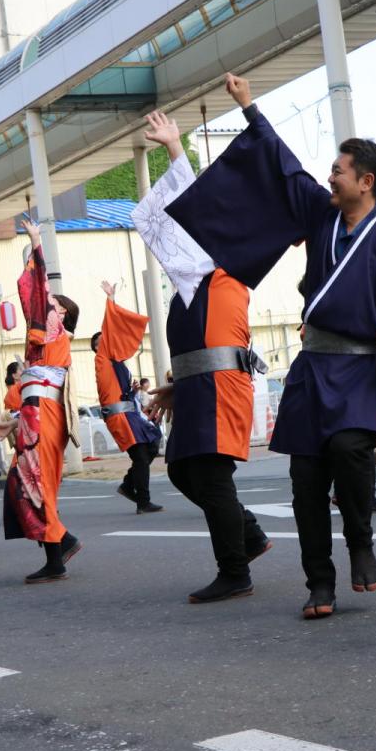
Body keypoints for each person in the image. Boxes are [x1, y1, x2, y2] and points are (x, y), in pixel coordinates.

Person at [159, 74, 376, 618]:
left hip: (363, 365)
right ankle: (320, 583)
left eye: (339, 170)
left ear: (366, 181)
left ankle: (360, 540)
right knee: (305, 478)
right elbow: (282, 163)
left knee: (347, 451)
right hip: (314, 363)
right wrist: (249, 109)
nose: (330, 176)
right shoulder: (321, 216)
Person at [131, 110, 279, 606]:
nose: (169, 243)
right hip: (199, 390)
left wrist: (176, 151)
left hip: (222, 389)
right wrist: (177, 385)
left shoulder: (218, 273)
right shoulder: (186, 290)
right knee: (179, 470)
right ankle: (251, 534)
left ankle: (234, 571)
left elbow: (194, 212)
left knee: (211, 478)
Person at [0, 216, 83, 584]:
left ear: (63, 317)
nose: (47, 307)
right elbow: (33, 393)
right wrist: (13, 422)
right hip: (35, 415)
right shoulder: (42, 344)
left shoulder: (55, 332)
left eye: (54, 305)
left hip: (43, 415)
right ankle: (63, 542)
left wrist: (35, 243)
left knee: (34, 480)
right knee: (23, 480)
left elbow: (38, 291)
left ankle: (57, 556)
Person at [92, 281, 164, 514]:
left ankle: (127, 485)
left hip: (129, 413)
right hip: (120, 416)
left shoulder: (117, 363)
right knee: (142, 456)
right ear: (98, 347)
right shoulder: (102, 359)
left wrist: (131, 390)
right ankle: (142, 501)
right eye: (101, 339)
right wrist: (111, 300)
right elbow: (110, 325)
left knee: (152, 445)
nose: (107, 338)